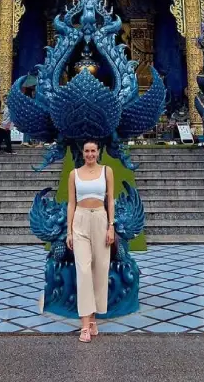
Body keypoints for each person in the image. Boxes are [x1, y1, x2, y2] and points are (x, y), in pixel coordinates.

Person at [66, 140, 115, 343]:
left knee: (100, 269)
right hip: (80, 219)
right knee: (83, 270)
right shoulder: (74, 174)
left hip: (101, 219)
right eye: (86, 151)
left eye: (93, 151)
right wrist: (68, 231)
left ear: (98, 152)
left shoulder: (107, 171)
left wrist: (111, 225)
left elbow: (110, 199)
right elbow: (71, 203)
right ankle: (84, 325)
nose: (90, 154)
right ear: (82, 153)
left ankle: (93, 319)